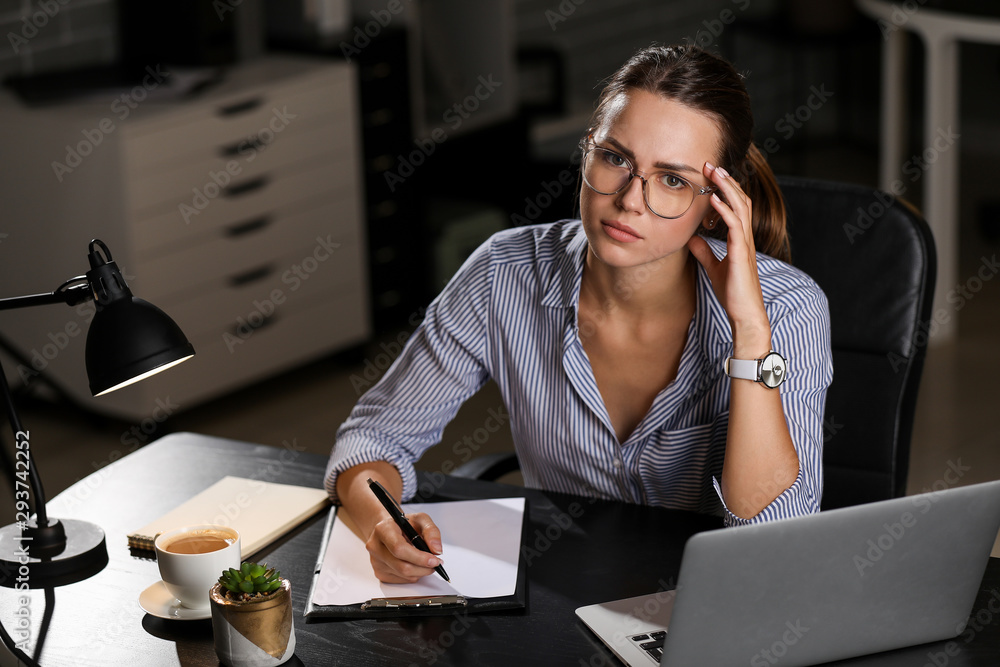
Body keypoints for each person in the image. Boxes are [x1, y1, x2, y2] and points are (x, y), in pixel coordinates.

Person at [325, 44, 833, 584]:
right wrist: (383, 524)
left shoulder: (787, 307)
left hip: (715, 602)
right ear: (587, 151)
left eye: (673, 180)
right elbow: (374, 439)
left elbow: (775, 531)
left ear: (717, 206)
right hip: (564, 592)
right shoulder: (503, 273)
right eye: (616, 157)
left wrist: (750, 334)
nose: (630, 201)